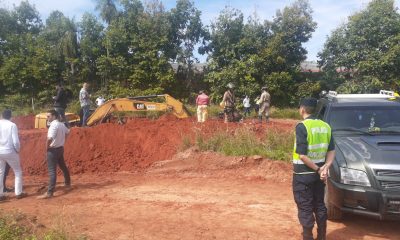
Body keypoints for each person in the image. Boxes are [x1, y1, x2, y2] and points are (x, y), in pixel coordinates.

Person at [293, 98, 335, 240]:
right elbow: (331, 151)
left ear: (302, 109)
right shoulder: (326, 126)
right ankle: (322, 236)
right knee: (319, 204)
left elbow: (302, 155)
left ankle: (307, 236)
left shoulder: (302, 126)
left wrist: (318, 169)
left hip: (303, 175)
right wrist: (325, 168)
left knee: (305, 206)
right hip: (319, 176)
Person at [38, 110, 71, 199]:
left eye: (49, 116)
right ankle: (67, 183)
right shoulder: (61, 124)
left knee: (52, 171)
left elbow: (49, 139)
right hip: (60, 148)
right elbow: (68, 132)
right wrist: (63, 141)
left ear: (54, 116)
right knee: (63, 166)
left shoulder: (53, 126)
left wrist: (47, 148)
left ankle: (50, 192)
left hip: (53, 150)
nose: (47, 118)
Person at [0, 109, 26, 201]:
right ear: (11, 116)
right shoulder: (12, 125)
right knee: (18, 171)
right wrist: (17, 150)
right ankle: (18, 193)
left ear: (2, 115)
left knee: (1, 172)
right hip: (10, 151)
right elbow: (15, 141)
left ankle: (0, 194)